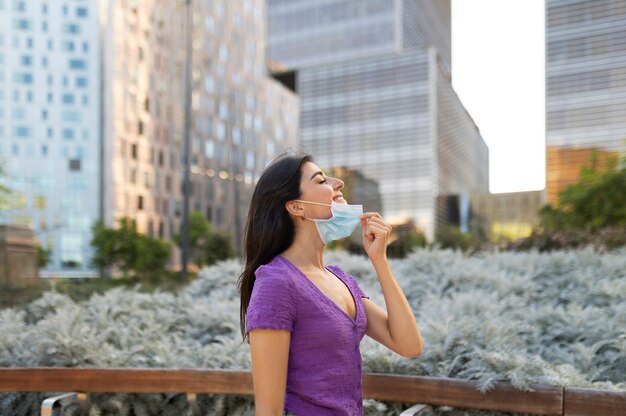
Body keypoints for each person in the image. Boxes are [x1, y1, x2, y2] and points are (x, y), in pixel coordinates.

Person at [238, 152, 423, 416]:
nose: (339, 184)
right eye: (322, 180)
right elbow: (269, 411)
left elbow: (408, 345)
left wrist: (379, 260)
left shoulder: (340, 278)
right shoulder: (276, 283)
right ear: (297, 207)